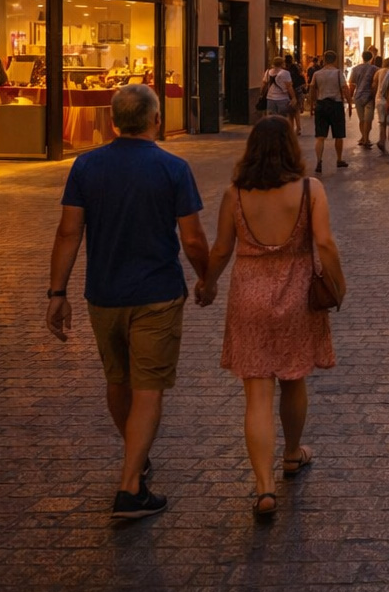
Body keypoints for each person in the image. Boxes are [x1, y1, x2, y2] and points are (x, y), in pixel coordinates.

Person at [45, 84, 209, 520]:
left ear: (113, 121)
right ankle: (130, 485)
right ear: (156, 119)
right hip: (156, 292)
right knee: (148, 386)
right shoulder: (173, 168)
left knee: (118, 380)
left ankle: (136, 458)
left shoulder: (86, 166)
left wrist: (56, 293)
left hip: (104, 293)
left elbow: (68, 232)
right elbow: (192, 237)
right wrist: (207, 278)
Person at [194, 116, 340, 518]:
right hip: (296, 295)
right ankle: (292, 453)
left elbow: (222, 249)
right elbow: (324, 242)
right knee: (294, 379)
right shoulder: (310, 190)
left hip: (248, 295)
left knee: (257, 394)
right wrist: (339, 285)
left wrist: (207, 285)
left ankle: (264, 488)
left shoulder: (235, 194)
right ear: (292, 147)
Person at [306, 50, 349, 174]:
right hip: (336, 105)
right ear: (335, 60)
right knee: (339, 135)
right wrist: (350, 103)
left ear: (324, 60)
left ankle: (319, 161)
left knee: (320, 137)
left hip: (321, 104)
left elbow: (312, 89)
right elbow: (344, 88)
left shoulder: (317, 74)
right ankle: (339, 159)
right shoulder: (338, 73)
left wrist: (312, 104)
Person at [349, 50, 378, 148]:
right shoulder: (375, 69)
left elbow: (352, 84)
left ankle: (363, 137)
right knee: (368, 120)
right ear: (371, 58)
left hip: (358, 96)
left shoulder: (355, 69)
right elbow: (375, 84)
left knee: (362, 120)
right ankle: (366, 139)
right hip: (369, 97)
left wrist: (350, 98)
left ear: (362, 57)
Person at [284, 54, 306, 135]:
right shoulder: (296, 68)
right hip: (298, 90)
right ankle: (298, 128)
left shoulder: (285, 70)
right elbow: (301, 77)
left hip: (289, 91)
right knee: (296, 110)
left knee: (290, 112)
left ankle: (291, 129)